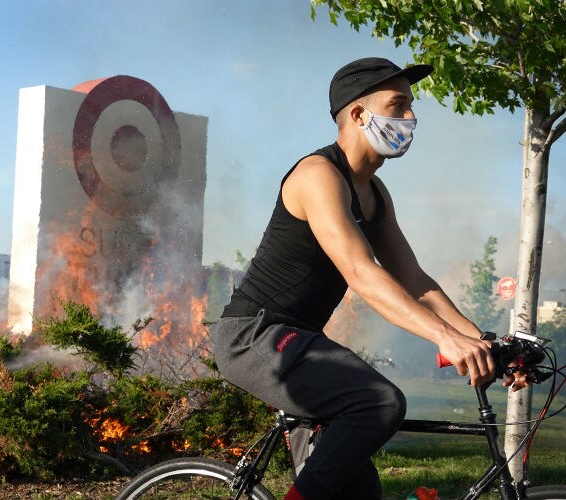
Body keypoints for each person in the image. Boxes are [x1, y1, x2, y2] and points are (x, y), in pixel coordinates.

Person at [213, 57, 527, 500]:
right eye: (398, 105)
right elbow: (361, 271)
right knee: (380, 402)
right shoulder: (318, 175)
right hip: (255, 335)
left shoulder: (375, 194)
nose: (411, 117)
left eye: (411, 106)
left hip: (300, 339)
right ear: (359, 114)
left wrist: (483, 340)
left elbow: (415, 280)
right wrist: (444, 338)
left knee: (360, 492)